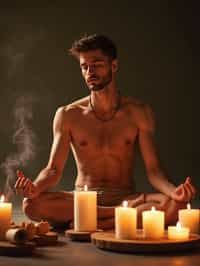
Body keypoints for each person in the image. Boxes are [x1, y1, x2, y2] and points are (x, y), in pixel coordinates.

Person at [15, 34, 196, 229]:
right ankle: (116, 217)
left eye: (97, 64)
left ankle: (91, 221)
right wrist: (35, 187)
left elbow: (153, 170)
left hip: (126, 196)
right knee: (32, 205)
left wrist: (174, 191)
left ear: (114, 66)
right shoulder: (68, 114)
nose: (90, 72)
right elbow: (53, 169)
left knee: (179, 205)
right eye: (84, 67)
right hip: (83, 197)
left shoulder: (139, 113)